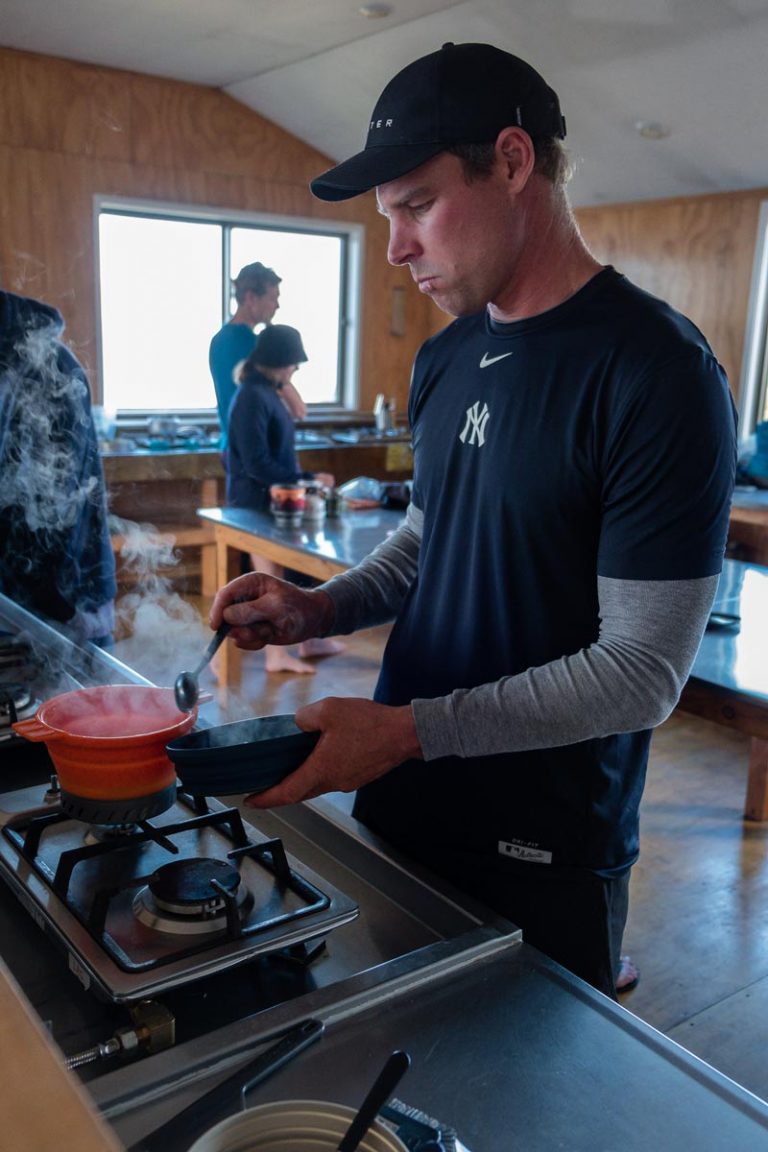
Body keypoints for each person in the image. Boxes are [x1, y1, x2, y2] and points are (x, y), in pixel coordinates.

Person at [209, 42, 737, 997]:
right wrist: (318, 610)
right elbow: (432, 536)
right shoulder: (446, 360)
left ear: (513, 160)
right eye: (387, 218)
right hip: (403, 797)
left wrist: (407, 730)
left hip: (543, 838)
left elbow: (642, 674)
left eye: (417, 206)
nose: (399, 246)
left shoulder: (655, 370)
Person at [0, 290, 117, 645]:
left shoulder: (47, 372)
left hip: (62, 602)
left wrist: (59, 612)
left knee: (71, 697)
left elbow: (49, 516)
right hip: (17, 599)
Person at [226, 323, 343, 674]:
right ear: (279, 361)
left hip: (273, 500)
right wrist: (306, 480)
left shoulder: (268, 391)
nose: (295, 370)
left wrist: (302, 481)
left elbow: (296, 414)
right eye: (293, 364)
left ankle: (307, 640)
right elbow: (256, 462)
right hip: (253, 503)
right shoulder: (251, 396)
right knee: (269, 582)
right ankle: (276, 656)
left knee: (287, 573)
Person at [208, 262, 306, 448]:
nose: (277, 305)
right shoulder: (254, 345)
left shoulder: (219, 339)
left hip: (232, 444)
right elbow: (298, 409)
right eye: (272, 298)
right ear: (251, 298)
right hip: (255, 446)